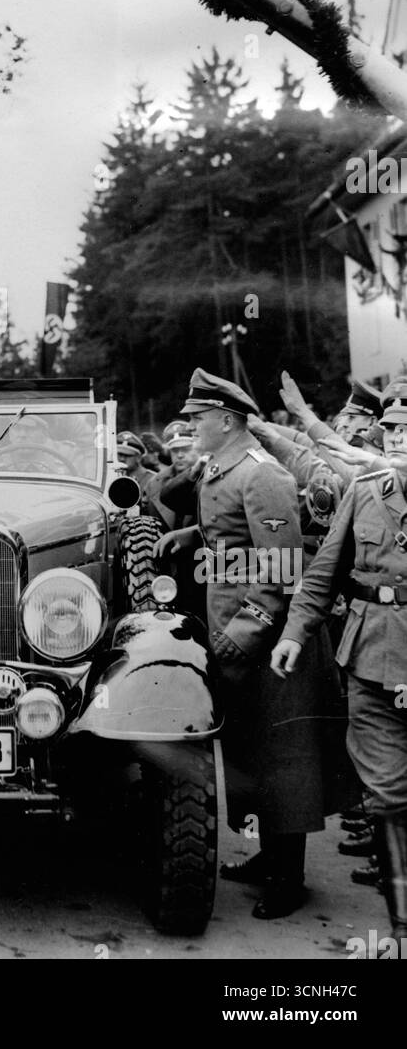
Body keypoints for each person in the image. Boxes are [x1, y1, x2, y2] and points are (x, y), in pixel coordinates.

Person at [156, 368, 347, 918]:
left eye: (196, 419)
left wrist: (241, 638)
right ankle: (269, 858)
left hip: (272, 644)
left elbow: (282, 572)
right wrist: (190, 535)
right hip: (236, 632)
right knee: (252, 752)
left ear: (226, 419)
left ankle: (290, 879)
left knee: (285, 759)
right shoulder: (225, 468)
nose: (190, 427)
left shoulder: (264, 476)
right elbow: (235, 532)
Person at [271, 377, 407, 941]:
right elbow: (325, 569)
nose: (394, 434)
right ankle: (401, 930)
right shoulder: (368, 486)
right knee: (387, 793)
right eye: (392, 426)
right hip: (372, 658)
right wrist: (296, 633)